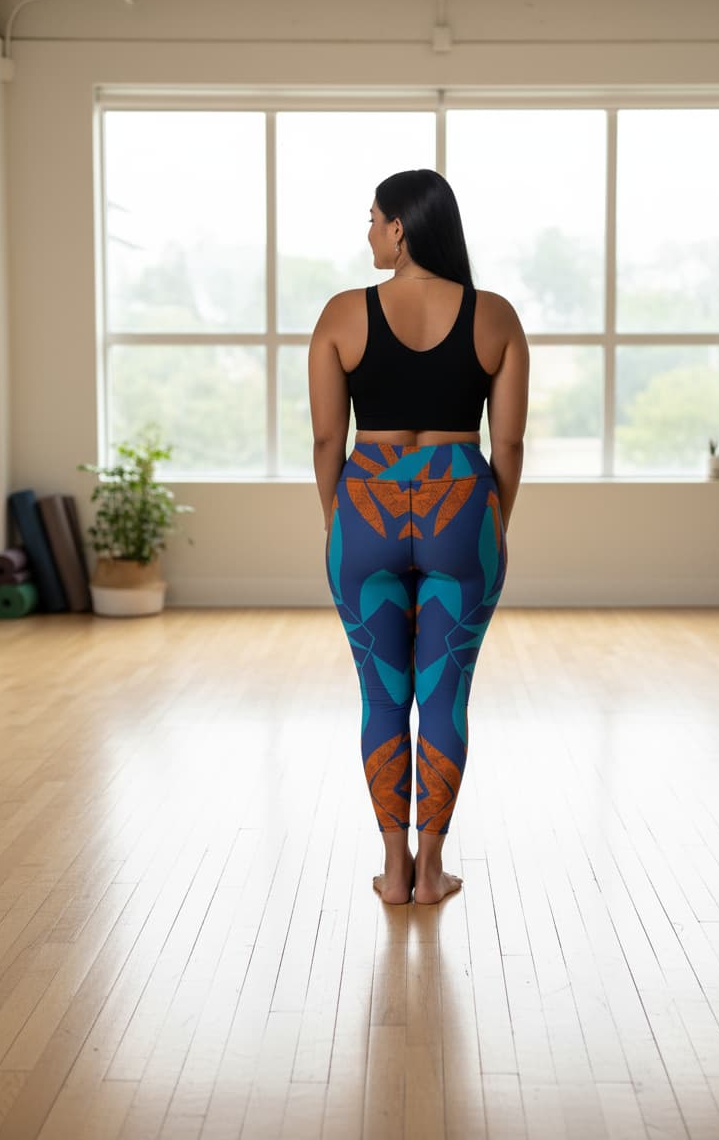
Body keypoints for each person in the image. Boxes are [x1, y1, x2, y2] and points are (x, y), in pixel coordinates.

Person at [308, 168, 529, 905]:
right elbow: (511, 448)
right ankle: (434, 871)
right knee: (444, 694)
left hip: (365, 505)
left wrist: (337, 521)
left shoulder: (342, 314)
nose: (368, 231)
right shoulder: (495, 317)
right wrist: (493, 520)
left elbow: (323, 440)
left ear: (400, 226)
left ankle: (394, 867)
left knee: (380, 695)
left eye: (373, 218)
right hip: (462, 507)